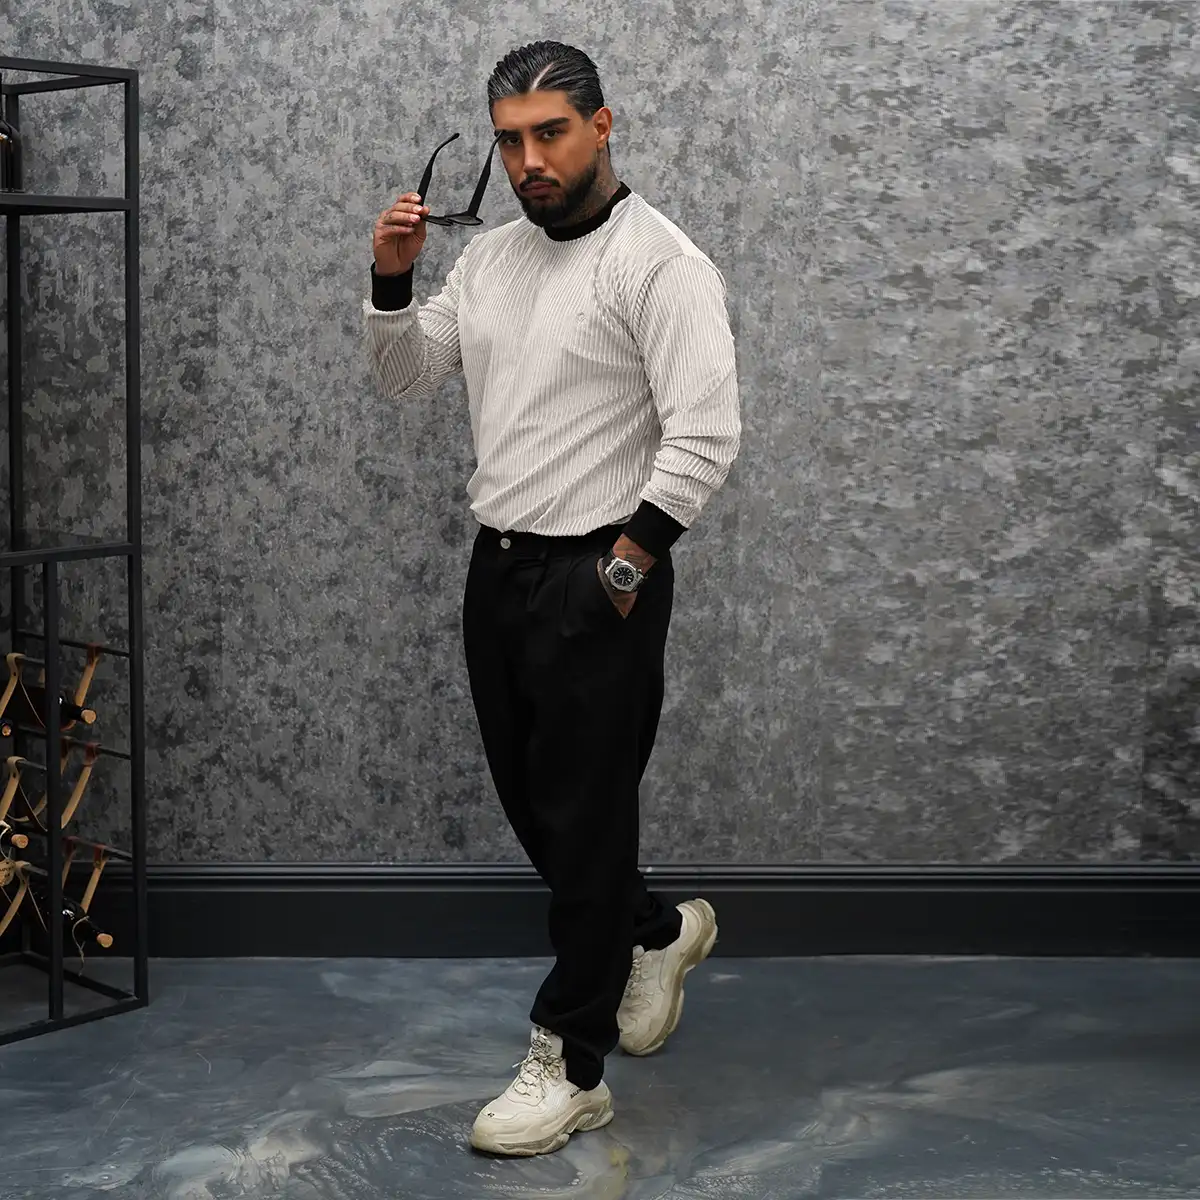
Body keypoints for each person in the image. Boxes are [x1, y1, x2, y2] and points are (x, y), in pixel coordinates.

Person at [363, 40, 741, 1158]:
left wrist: (620, 573)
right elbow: (407, 376)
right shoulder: (491, 261)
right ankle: (654, 931)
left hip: (600, 573)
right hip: (499, 567)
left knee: (583, 814)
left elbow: (706, 435)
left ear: (601, 126)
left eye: (551, 134)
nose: (530, 159)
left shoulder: (661, 262)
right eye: (511, 139)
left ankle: (570, 1061)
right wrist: (392, 277)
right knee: (543, 809)